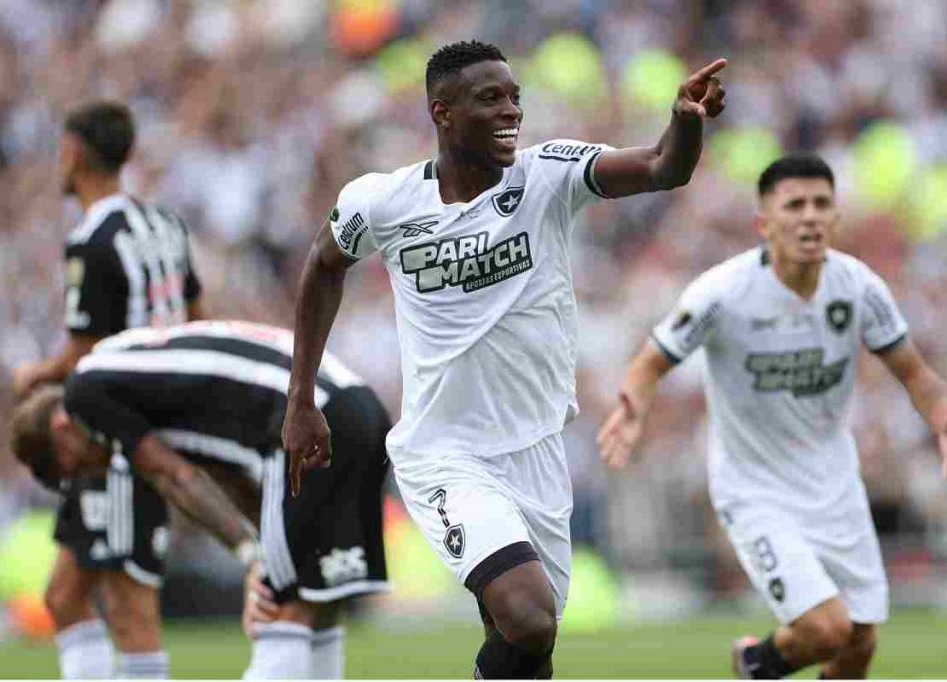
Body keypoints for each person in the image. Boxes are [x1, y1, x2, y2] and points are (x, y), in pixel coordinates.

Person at [282, 39, 726, 678]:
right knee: (528, 615)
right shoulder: (383, 201)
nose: (510, 111)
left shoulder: (546, 175)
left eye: (515, 97)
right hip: (445, 453)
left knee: (528, 646)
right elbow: (323, 264)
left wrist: (683, 122)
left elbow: (663, 167)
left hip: (537, 452)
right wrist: (301, 398)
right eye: (490, 98)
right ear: (443, 112)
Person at [597, 153, 947, 679]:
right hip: (755, 489)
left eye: (822, 204)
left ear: (836, 218)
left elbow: (913, 371)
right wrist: (632, 408)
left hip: (834, 484)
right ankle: (756, 662)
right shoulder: (723, 292)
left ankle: (760, 663)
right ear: (764, 223)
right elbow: (651, 360)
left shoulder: (858, 287)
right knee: (826, 629)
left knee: (858, 644)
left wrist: (942, 420)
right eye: (794, 205)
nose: (810, 216)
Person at [10, 320, 391, 679]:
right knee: (317, 604)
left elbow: (174, 476)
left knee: (276, 608)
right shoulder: (143, 375)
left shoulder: (85, 393)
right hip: (359, 409)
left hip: (302, 423)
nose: (94, 468)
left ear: (60, 428)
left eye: (72, 467)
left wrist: (252, 557)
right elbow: (228, 474)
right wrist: (264, 543)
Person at [10, 100, 204, 679]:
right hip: (153, 422)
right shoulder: (164, 223)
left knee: (130, 608)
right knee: (65, 597)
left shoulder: (92, 238)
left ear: (72, 151)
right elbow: (197, 316)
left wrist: (37, 374)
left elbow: (84, 350)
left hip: (120, 437)